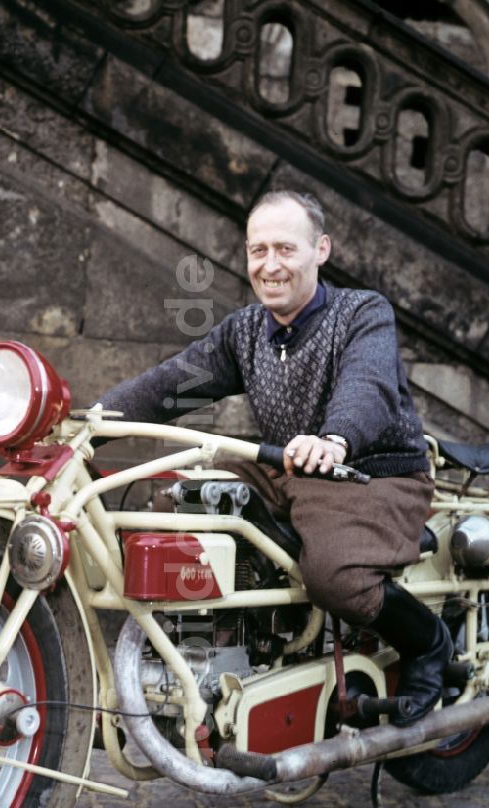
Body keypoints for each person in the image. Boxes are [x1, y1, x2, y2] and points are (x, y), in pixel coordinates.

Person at [99, 190, 451, 726]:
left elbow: (369, 385)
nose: (270, 265)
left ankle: (428, 644)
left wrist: (335, 438)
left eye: (285, 249)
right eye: (257, 250)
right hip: (287, 471)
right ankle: (227, 655)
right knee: (184, 498)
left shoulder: (362, 312)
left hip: (372, 476)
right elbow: (174, 381)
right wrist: (91, 422)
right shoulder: (245, 331)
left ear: (321, 249)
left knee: (334, 577)